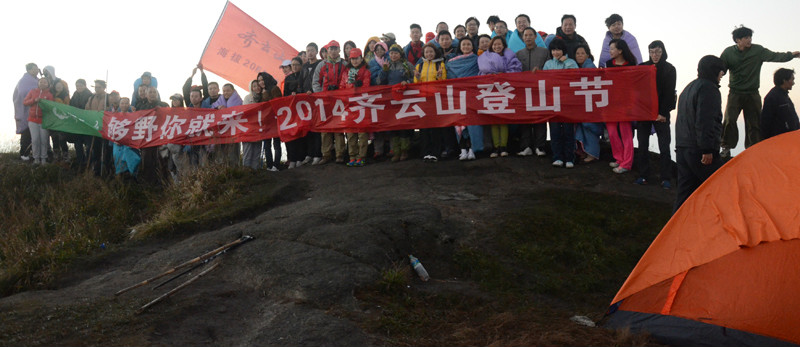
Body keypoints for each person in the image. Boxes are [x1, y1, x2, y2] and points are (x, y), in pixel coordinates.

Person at [719, 26, 799, 157]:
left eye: (750, 37)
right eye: (746, 38)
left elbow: (775, 56)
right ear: (738, 40)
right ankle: (726, 147)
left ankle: (753, 149)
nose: (749, 40)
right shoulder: (728, 53)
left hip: (752, 93)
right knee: (730, 120)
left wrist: (792, 55)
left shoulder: (758, 50)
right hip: (735, 93)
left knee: (754, 122)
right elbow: (720, 68)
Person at [674, 55, 726, 212]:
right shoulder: (709, 89)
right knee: (721, 187)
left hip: (683, 147)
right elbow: (705, 121)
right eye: (721, 73)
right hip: (699, 150)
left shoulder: (689, 88)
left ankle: (674, 232)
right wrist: (707, 149)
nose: (721, 76)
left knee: (684, 195)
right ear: (715, 71)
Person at [635, 41, 677, 189]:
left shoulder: (669, 69)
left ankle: (666, 178)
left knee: (664, 147)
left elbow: (669, 93)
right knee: (643, 146)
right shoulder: (642, 67)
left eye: (658, 52)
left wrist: (663, 113)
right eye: (652, 52)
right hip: (644, 113)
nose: (655, 55)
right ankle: (643, 175)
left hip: (661, 114)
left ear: (663, 51)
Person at [478, 36, 522, 157]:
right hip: (491, 90)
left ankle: (504, 147)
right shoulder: (484, 58)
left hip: (505, 89)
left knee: (503, 119)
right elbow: (482, 73)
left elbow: (516, 70)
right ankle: (495, 147)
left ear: (504, 45)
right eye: (494, 45)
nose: (497, 47)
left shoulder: (511, 56)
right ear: (491, 46)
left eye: (499, 44)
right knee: (493, 119)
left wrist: (504, 75)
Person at [543, 39, 578, 168]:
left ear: (563, 50)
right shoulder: (548, 64)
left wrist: (565, 62)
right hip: (553, 102)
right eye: (553, 50)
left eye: (558, 49)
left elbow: (576, 75)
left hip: (568, 102)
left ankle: (570, 158)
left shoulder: (571, 62)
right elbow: (543, 81)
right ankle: (557, 157)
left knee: (569, 132)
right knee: (555, 131)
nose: (556, 52)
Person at [516, 27, 550, 157]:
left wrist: (540, 71)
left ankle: (539, 146)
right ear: (523, 38)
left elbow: (549, 69)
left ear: (536, 37)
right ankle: (526, 146)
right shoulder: (519, 54)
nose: (528, 37)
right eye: (526, 35)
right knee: (525, 119)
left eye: (531, 35)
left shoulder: (544, 52)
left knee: (540, 117)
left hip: (540, 90)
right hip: (524, 91)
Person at [446, 38, 483, 160]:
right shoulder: (451, 63)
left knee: (472, 123)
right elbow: (450, 78)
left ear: (473, 46)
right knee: (459, 122)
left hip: (473, 95)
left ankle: (473, 149)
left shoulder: (478, 60)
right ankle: (463, 150)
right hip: (458, 96)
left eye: (468, 44)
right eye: (464, 44)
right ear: (460, 47)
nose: (466, 46)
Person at [312, 40, 347, 164]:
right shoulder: (322, 65)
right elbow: (315, 81)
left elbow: (349, 79)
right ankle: (326, 154)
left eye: (335, 49)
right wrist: (320, 93)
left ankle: (340, 154)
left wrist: (343, 92)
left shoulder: (344, 64)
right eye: (330, 49)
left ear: (339, 50)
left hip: (339, 100)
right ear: (327, 51)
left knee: (339, 127)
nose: (333, 51)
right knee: (325, 127)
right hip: (325, 100)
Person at [605, 39, 637, 174]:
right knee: (612, 132)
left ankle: (627, 163)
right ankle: (619, 158)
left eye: (612, 49)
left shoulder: (631, 64)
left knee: (626, 133)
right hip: (611, 102)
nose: (610, 51)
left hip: (625, 103)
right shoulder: (608, 64)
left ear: (620, 50)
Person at [378, 44, 415, 161]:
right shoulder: (386, 65)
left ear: (400, 54)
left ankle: (405, 151)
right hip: (391, 100)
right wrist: (384, 71)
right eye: (391, 53)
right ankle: (396, 152)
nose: (393, 55)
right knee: (393, 125)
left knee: (404, 125)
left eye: (396, 53)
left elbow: (415, 79)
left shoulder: (407, 65)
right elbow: (379, 82)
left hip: (405, 99)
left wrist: (407, 81)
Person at [414, 43, 447, 163]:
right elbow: (415, 84)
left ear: (435, 53)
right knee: (424, 127)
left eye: (431, 52)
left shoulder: (440, 64)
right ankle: (426, 152)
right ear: (423, 53)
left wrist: (439, 76)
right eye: (427, 52)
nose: (429, 54)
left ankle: (435, 152)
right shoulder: (419, 66)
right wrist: (416, 78)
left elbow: (443, 81)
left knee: (435, 127)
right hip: (423, 100)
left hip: (435, 99)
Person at [572, 44, 604, 164]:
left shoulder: (590, 66)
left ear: (588, 55)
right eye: (577, 53)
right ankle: (584, 150)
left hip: (591, 102)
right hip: (583, 102)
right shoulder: (578, 67)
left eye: (582, 53)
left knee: (590, 127)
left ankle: (593, 153)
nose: (580, 56)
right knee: (583, 126)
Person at [340, 48, 371, 167]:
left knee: (362, 133)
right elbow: (342, 87)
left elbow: (367, 87)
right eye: (352, 58)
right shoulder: (346, 72)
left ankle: (362, 157)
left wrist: (360, 85)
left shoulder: (366, 71)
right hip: (349, 106)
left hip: (362, 105)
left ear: (361, 58)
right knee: (351, 132)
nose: (355, 60)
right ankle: (352, 156)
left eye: (357, 58)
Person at [22, 78, 53, 165]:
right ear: (38, 83)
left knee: (44, 140)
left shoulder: (49, 94)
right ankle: (36, 159)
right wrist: (34, 100)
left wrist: (45, 103)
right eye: (41, 82)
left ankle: (43, 159)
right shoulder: (32, 92)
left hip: (43, 120)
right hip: (32, 120)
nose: (42, 83)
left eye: (45, 82)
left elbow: (51, 108)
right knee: (35, 140)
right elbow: (25, 102)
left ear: (48, 84)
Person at [284, 57, 308, 169]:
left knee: (302, 135)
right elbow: (285, 95)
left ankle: (300, 158)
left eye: (296, 64)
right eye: (292, 65)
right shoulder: (288, 78)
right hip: (292, 110)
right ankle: (292, 159)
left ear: (301, 65)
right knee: (293, 134)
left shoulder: (304, 75)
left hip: (303, 109)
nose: (294, 67)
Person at [760, 68, 798, 140]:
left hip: (790, 138)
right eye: (792, 79)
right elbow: (765, 123)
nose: (793, 83)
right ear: (784, 80)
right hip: (779, 141)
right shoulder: (772, 97)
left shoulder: (784, 96)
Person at [211, 83, 243, 166]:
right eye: (224, 91)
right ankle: (226, 172)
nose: (226, 93)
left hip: (234, 131)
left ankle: (236, 171)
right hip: (222, 132)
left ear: (233, 90)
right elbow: (211, 108)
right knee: (223, 154)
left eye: (228, 91)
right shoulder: (221, 99)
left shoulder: (238, 101)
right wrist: (218, 108)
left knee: (233, 154)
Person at [302, 42, 324, 164]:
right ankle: (309, 154)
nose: (309, 53)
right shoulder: (304, 67)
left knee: (317, 127)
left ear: (316, 51)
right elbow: (301, 82)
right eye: (307, 51)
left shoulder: (320, 64)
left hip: (317, 99)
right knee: (308, 127)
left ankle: (317, 154)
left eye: (311, 50)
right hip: (306, 101)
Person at [13, 63, 39, 161]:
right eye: (34, 69)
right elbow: (22, 93)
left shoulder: (36, 80)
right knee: (26, 132)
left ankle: (32, 152)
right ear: (28, 70)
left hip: (36, 112)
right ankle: (24, 153)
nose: (36, 71)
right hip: (26, 111)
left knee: (35, 134)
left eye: (37, 69)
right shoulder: (24, 81)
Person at [258, 72, 284, 171]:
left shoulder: (274, 89)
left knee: (276, 144)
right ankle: (269, 165)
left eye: (262, 79)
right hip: (266, 122)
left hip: (275, 121)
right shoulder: (261, 91)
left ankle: (276, 165)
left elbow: (276, 104)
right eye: (259, 80)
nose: (261, 82)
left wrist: (265, 95)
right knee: (267, 146)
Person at [369, 41, 390, 159]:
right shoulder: (372, 62)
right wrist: (384, 71)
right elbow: (375, 80)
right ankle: (378, 150)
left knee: (390, 121)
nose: (379, 51)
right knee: (377, 124)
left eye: (381, 49)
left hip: (389, 96)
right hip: (376, 96)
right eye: (377, 49)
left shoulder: (390, 59)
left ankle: (392, 148)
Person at [68, 79, 94, 168]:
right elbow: (70, 106)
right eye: (77, 86)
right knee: (77, 144)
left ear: (85, 85)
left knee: (88, 144)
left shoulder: (90, 95)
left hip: (86, 124)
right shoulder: (75, 95)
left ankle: (88, 162)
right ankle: (80, 161)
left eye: (80, 85)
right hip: (77, 124)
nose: (79, 87)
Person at [242, 80, 263, 170]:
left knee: (256, 152)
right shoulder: (247, 98)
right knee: (247, 152)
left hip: (259, 129)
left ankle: (255, 172)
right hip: (249, 130)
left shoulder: (263, 97)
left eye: (258, 85)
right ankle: (246, 173)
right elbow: (246, 113)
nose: (257, 88)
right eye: (254, 86)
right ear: (251, 88)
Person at [50, 79, 70, 162]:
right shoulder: (51, 95)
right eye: (57, 86)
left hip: (62, 121)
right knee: (54, 138)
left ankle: (66, 156)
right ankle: (56, 156)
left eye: (60, 86)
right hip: (53, 121)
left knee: (62, 139)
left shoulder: (65, 96)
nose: (58, 87)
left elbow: (67, 107)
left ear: (63, 87)